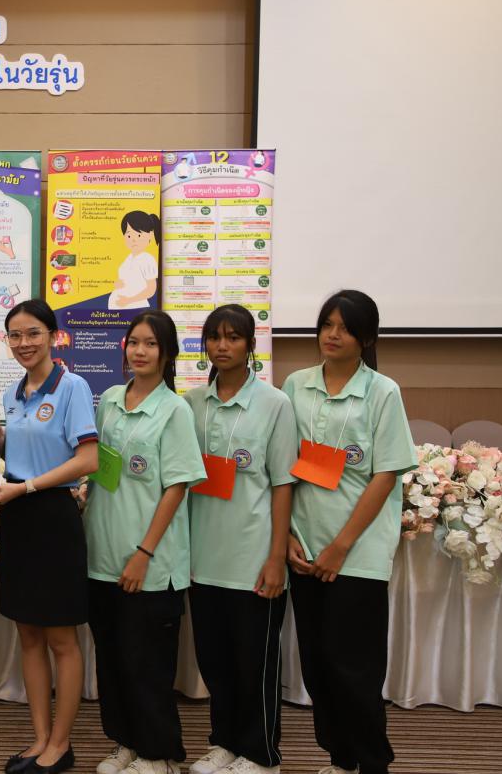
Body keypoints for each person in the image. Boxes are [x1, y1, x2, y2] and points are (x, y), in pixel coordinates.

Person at [281, 290, 414, 774]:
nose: (332, 335)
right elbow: (284, 466)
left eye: (345, 327)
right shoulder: (295, 385)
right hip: (305, 546)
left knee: (354, 667)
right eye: (327, 325)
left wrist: (340, 546)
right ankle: (341, 760)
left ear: (367, 338)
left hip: (357, 551)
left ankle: (373, 763)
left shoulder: (382, 391)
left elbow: (385, 475)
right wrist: (287, 536)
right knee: (317, 666)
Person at [83, 310, 206, 774]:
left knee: (147, 665)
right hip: (102, 555)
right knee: (113, 661)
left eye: (150, 344)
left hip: (150, 564)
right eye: (133, 341)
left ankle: (160, 754)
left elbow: (177, 487)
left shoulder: (175, 410)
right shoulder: (111, 400)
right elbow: (101, 467)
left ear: (167, 353)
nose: (139, 351)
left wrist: (144, 553)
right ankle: (127, 743)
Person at [0, 300, 98, 774]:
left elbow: (87, 459)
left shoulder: (72, 386)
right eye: (15, 335)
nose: (24, 343)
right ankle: (40, 738)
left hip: (52, 516)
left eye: (33, 333)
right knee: (28, 633)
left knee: (61, 638)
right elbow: (25, 448)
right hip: (17, 517)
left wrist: (26, 487)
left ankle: (62, 744)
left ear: (53, 336)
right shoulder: (13, 393)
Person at [183, 305, 297, 774]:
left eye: (233, 337)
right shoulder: (191, 403)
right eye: (214, 337)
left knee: (256, 664)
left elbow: (283, 484)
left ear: (251, 345)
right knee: (215, 662)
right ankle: (225, 743)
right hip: (202, 557)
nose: (222, 346)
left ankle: (262, 754)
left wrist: (276, 557)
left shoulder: (275, 403)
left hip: (253, 557)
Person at [107, 211, 160, 310]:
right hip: (119, 310)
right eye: (129, 236)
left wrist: (129, 300)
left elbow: (151, 290)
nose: (133, 240)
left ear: (150, 235)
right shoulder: (129, 258)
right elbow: (130, 280)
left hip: (136, 308)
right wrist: (118, 284)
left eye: (139, 235)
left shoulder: (147, 259)